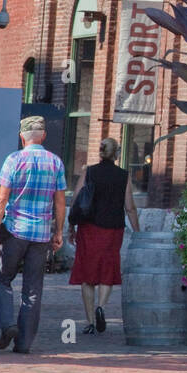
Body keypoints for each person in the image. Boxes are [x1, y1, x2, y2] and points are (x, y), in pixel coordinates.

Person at [0, 116, 66, 354]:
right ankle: (24, 344)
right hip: (41, 235)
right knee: (33, 289)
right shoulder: (55, 162)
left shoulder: (14, 159)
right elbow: (60, 201)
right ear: (43, 136)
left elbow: (2, 198)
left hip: (14, 231)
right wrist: (59, 231)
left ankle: (8, 324)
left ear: (22, 137)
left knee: (1, 279)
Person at [68, 136, 139, 335]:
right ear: (116, 154)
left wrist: (70, 226)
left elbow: (75, 199)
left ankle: (90, 321)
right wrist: (138, 231)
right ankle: (101, 306)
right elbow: (130, 207)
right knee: (108, 270)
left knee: (87, 274)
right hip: (113, 229)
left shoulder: (89, 172)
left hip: (89, 228)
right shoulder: (123, 175)